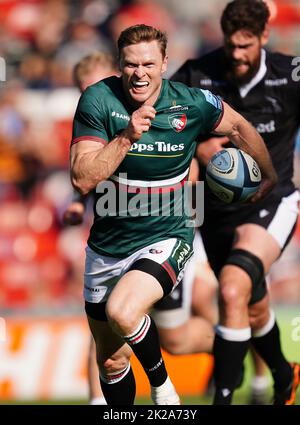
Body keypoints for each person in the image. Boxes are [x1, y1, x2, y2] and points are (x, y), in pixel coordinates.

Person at [70, 23, 276, 405]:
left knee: (124, 311)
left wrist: (269, 176)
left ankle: (164, 391)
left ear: (165, 63)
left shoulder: (193, 102)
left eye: (149, 63)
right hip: (107, 245)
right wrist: (126, 137)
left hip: (168, 235)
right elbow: (83, 177)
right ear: (120, 64)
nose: (139, 73)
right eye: (131, 64)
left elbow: (239, 126)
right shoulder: (97, 101)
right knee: (112, 362)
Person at [64, 51, 218, 405]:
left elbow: (187, 171)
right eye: (83, 90)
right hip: (114, 241)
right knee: (109, 333)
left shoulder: (158, 118)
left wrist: (181, 220)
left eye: (96, 86)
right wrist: (78, 201)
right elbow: (90, 175)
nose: (92, 95)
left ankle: (232, 341)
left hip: (163, 235)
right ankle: (101, 403)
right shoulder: (93, 122)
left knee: (173, 336)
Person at [172, 0, 300, 405]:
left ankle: (224, 397)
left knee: (230, 290)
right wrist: (197, 146)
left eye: (247, 45)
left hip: (272, 200)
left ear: (264, 36)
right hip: (216, 212)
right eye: (232, 45)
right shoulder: (196, 74)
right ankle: (284, 373)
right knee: (255, 309)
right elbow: (162, 126)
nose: (238, 54)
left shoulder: (292, 74)